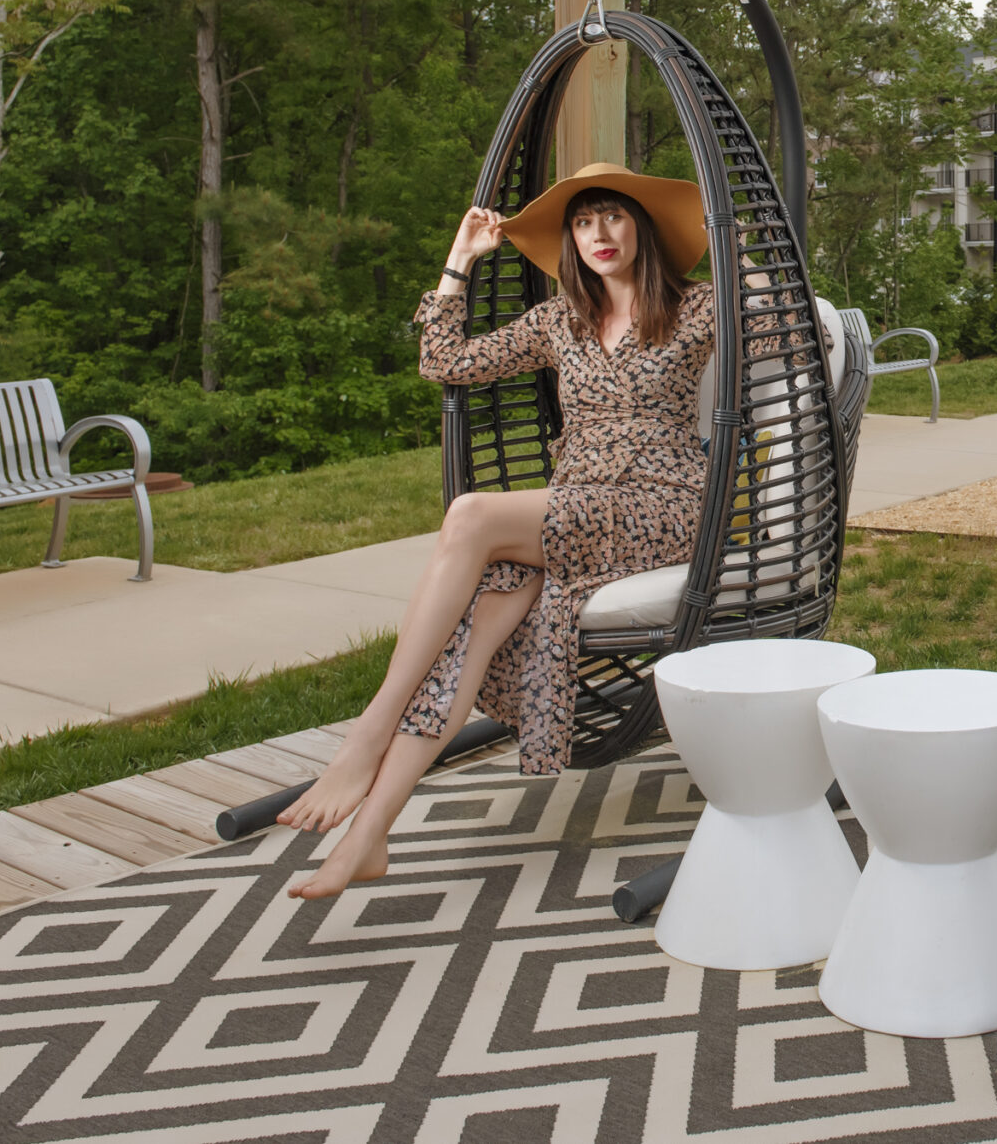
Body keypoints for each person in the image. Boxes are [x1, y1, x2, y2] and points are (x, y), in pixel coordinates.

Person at [279, 162, 719, 899]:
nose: (598, 234)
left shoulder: (700, 307)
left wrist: (751, 262)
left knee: (473, 515)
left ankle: (367, 734)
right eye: (582, 222)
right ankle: (370, 833)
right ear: (569, 242)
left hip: (663, 507)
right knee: (473, 628)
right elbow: (443, 362)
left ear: (641, 227)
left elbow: (781, 334)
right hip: (577, 511)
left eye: (612, 216)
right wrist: (460, 261)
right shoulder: (559, 321)